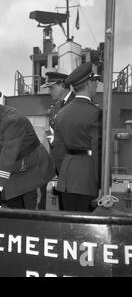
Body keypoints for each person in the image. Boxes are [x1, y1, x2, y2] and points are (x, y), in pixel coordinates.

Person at [0, 88, 54, 209]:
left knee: (32, 213)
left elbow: (7, 157)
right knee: (15, 209)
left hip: (32, 169)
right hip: (15, 170)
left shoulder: (12, 120)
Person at [54, 62, 102, 212]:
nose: (96, 86)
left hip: (66, 180)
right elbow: (99, 152)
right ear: (88, 84)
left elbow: (59, 152)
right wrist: (103, 186)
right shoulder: (96, 113)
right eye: (95, 82)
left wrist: (65, 175)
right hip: (88, 181)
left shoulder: (61, 113)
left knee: (68, 227)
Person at [41, 71, 74, 209]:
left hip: (73, 168)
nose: (50, 91)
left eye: (52, 87)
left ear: (62, 85)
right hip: (60, 167)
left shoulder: (76, 104)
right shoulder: (56, 108)